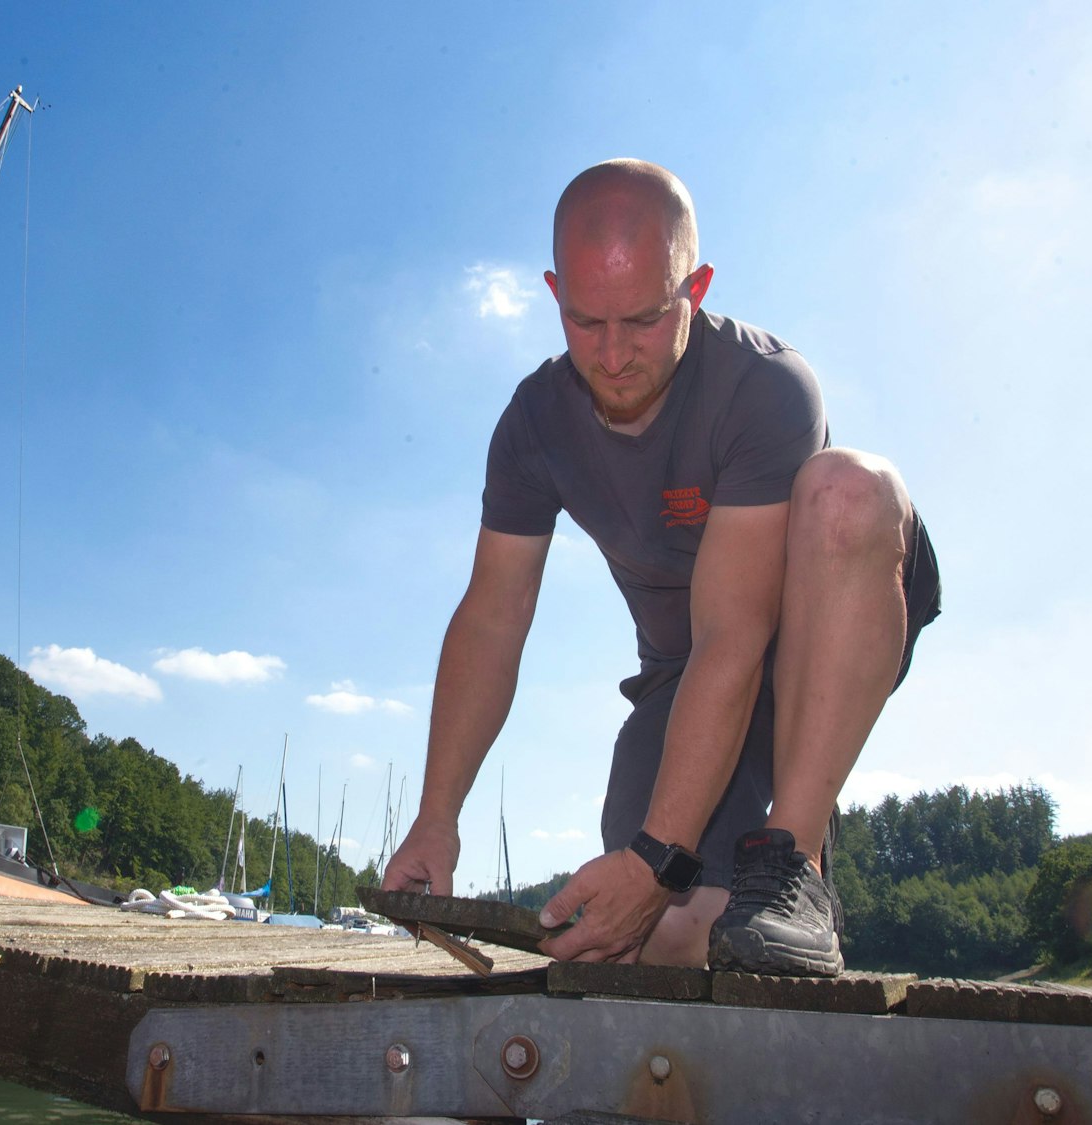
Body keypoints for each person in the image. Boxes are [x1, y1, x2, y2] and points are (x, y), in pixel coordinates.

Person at [381, 159, 941, 975]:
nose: (612, 358)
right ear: (554, 293)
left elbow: (736, 635)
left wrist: (658, 860)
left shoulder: (767, 388)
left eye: (643, 322)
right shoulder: (534, 423)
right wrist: (437, 818)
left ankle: (796, 865)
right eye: (585, 323)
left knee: (850, 488)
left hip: (805, 637)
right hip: (683, 668)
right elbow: (492, 617)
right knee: (660, 938)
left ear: (697, 287)